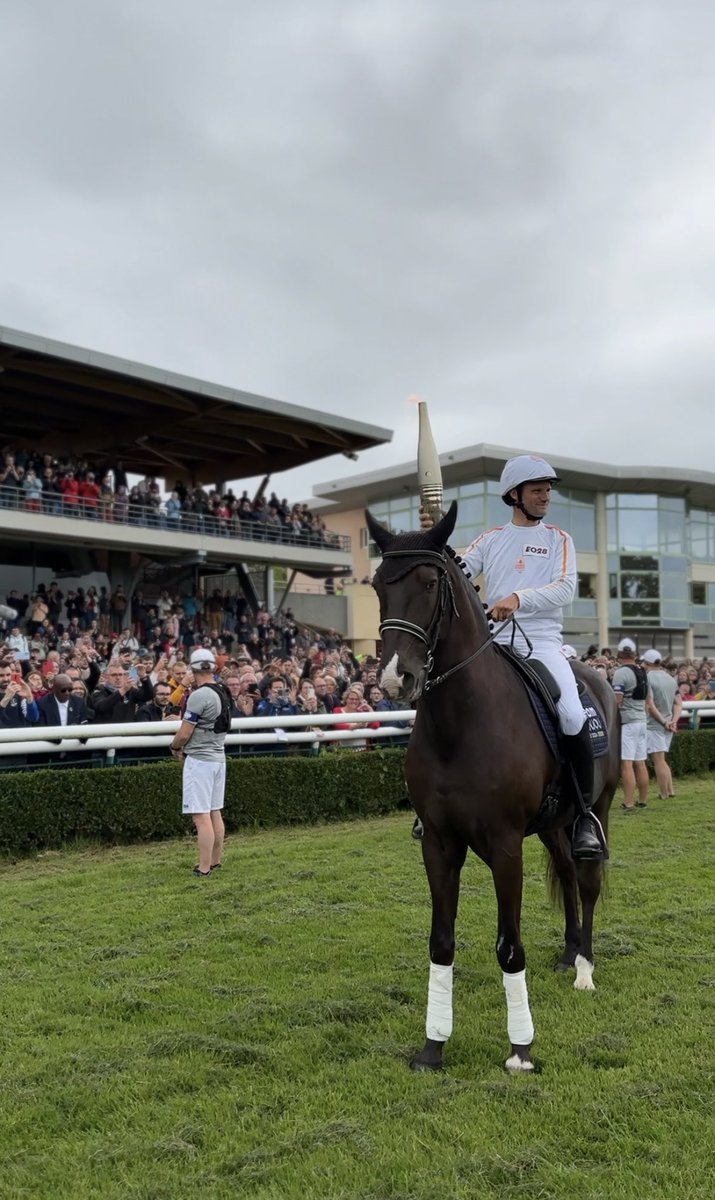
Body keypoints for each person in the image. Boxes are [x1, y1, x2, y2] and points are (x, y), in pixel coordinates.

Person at [423, 454, 604, 859]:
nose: (546, 496)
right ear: (515, 494)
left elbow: (565, 589)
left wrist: (518, 598)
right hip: (491, 641)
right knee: (438, 697)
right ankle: (431, 802)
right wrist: (433, 540)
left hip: (541, 641)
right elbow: (455, 572)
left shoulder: (559, 539)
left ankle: (585, 814)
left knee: (573, 714)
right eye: (538, 490)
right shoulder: (490, 539)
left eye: (547, 490)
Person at [169, 649, 231, 877]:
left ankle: (203, 867)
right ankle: (215, 861)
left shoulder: (199, 696)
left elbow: (184, 733)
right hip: (218, 757)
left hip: (200, 760)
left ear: (193, 670)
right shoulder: (223, 690)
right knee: (215, 811)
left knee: (200, 815)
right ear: (212, 667)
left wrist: (174, 746)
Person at [611, 638, 649, 810]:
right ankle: (643, 799)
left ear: (619, 654)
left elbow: (617, 699)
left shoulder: (620, 673)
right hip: (642, 720)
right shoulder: (642, 671)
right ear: (634, 654)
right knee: (640, 762)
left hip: (628, 721)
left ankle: (628, 801)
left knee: (626, 763)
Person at [643, 648, 681, 800]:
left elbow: (650, 705)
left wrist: (665, 722)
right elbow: (678, 703)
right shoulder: (670, 678)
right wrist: (673, 721)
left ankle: (664, 793)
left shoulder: (647, 678)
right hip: (669, 723)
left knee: (658, 760)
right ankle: (670, 791)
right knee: (662, 759)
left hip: (655, 724)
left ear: (647, 663)